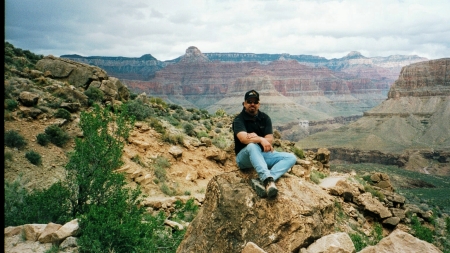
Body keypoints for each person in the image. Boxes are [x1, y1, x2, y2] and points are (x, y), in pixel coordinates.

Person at [232, 89, 297, 198]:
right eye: (249, 101)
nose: (252, 104)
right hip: (244, 158)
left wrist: (256, 137)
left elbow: (270, 140)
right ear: (244, 104)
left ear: (259, 104)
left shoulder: (265, 118)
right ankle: (267, 181)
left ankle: (262, 180)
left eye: (255, 102)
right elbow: (243, 139)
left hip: (262, 155)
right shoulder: (239, 120)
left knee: (291, 157)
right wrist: (261, 140)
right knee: (252, 146)